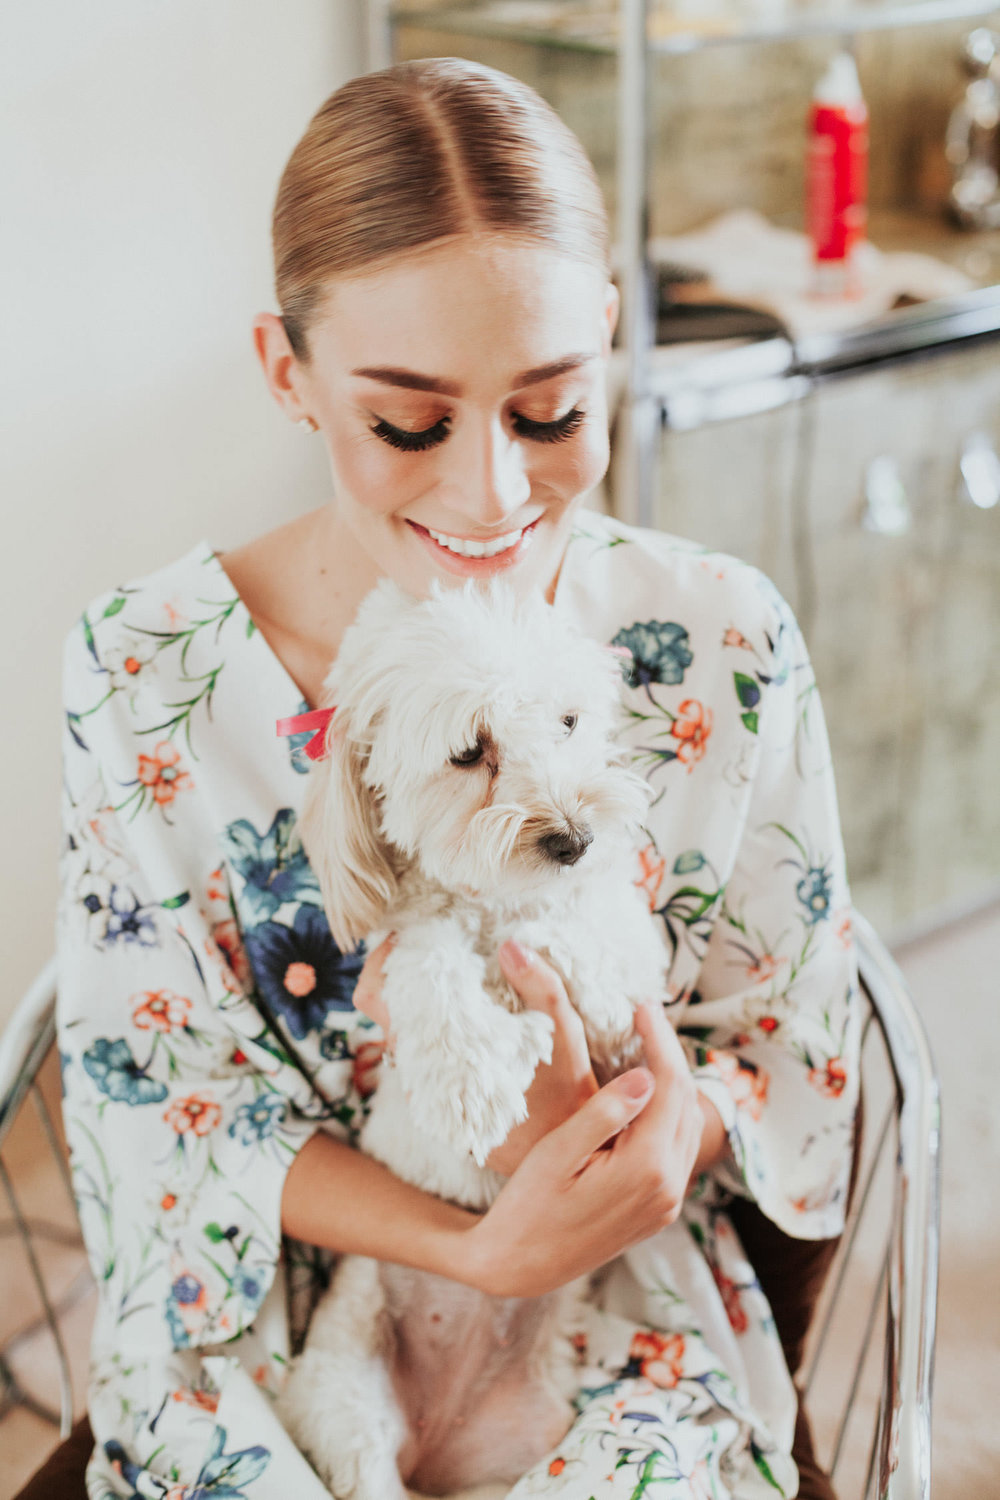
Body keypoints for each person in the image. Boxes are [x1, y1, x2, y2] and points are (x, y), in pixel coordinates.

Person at [56, 57, 860, 1500]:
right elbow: (153, 1098)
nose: (491, 497)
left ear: (611, 339)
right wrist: (471, 1247)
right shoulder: (142, 674)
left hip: (614, 1290)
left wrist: (670, 1125)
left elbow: (796, 1050)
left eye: (550, 410)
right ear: (286, 373)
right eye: (411, 423)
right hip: (256, 1317)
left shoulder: (723, 646)